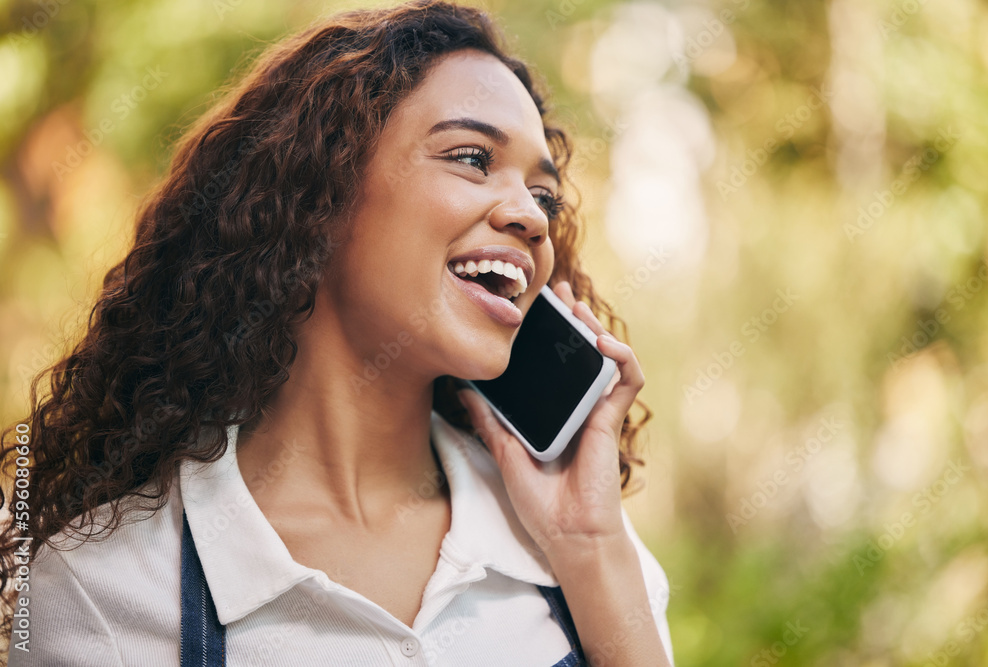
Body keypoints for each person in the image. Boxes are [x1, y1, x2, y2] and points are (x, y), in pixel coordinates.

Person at [0, 1, 675, 664]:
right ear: (321, 191)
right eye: (472, 157)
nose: (531, 215)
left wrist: (589, 544)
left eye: (545, 195)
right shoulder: (101, 595)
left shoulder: (587, 553)